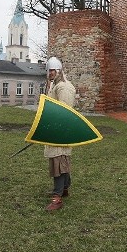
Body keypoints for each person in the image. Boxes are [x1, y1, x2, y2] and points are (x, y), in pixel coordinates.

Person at [45, 56, 77, 211]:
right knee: (59, 160)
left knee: (59, 161)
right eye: (48, 70)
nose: (50, 73)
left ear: (58, 70)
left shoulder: (63, 87)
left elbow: (64, 111)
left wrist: (56, 127)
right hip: (54, 129)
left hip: (61, 130)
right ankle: (64, 188)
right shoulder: (54, 85)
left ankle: (57, 198)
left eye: (52, 70)